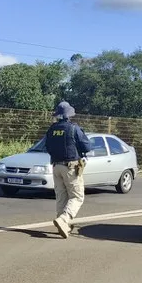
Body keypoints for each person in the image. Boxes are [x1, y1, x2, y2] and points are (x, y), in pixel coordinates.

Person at [44, 101, 91, 238]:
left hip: (56, 166)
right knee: (77, 196)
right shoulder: (73, 128)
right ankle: (64, 219)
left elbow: (47, 147)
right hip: (70, 167)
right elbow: (86, 147)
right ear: (69, 114)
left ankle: (63, 226)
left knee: (61, 196)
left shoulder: (52, 129)